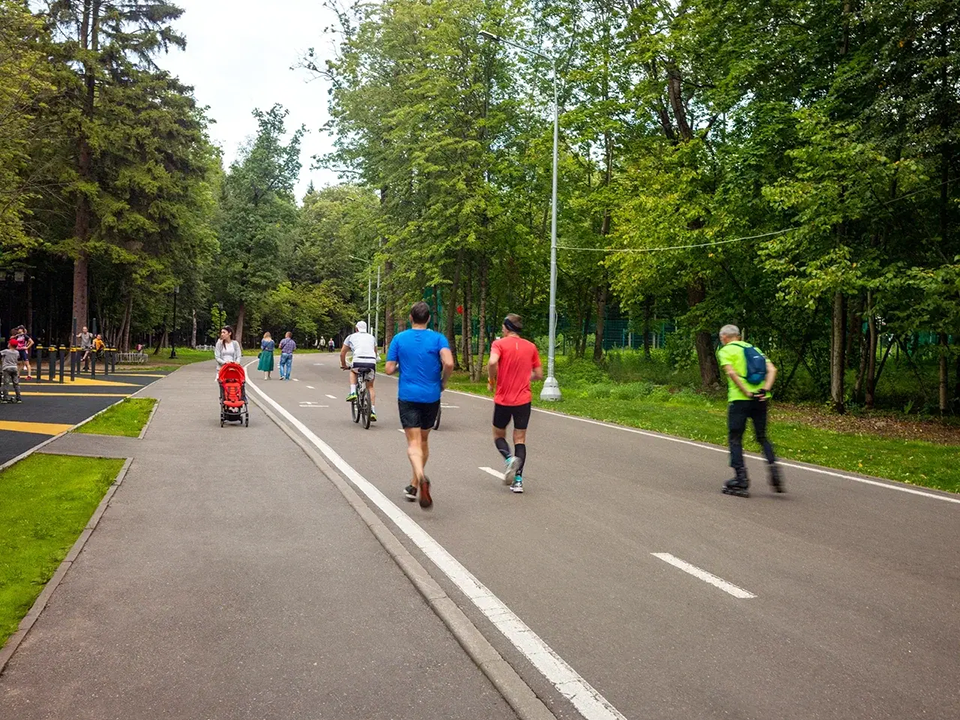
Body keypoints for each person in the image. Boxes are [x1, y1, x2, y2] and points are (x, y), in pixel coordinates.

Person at [385, 301, 453, 510]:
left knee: (413, 443)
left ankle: (420, 478)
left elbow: (388, 369)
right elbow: (449, 363)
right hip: (431, 396)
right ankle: (414, 484)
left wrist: (400, 367)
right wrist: (443, 381)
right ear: (429, 318)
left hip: (408, 394)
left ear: (410, 318)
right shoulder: (438, 338)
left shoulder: (399, 339)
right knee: (424, 439)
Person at [716, 324, 783, 497]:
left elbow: (731, 373)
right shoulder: (754, 349)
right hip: (761, 399)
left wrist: (746, 391)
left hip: (740, 400)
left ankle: (741, 479)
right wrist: (764, 389)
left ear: (724, 337)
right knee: (762, 437)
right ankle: (773, 467)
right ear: (738, 336)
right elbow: (772, 369)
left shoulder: (726, 351)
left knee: (735, 438)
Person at [487, 314, 543, 494]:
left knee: (498, 434)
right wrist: (526, 377)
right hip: (523, 400)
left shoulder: (499, 344)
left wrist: (491, 378)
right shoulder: (531, 347)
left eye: (503, 326)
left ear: (507, 327)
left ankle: (508, 458)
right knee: (520, 438)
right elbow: (539, 374)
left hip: (504, 398)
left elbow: (492, 361)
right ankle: (518, 480)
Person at [341, 320, 379, 421]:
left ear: (356, 328)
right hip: (371, 362)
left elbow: (342, 353)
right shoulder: (372, 337)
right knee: (370, 386)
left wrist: (344, 365)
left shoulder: (351, 337)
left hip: (358, 360)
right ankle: (373, 411)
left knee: (353, 371)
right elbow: (375, 353)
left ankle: (353, 392)